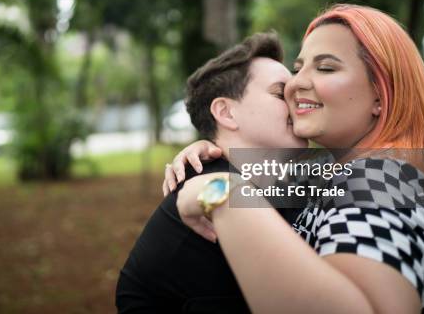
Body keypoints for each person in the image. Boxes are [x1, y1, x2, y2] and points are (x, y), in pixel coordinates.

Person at [166, 4, 424, 313]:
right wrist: (217, 145)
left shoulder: (377, 177)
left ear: (380, 95)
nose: (295, 84)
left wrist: (220, 190)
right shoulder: (344, 172)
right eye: (298, 69)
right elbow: (270, 181)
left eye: (325, 68)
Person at [115, 33, 307, 313]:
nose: (298, 102)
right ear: (226, 113)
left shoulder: (284, 183)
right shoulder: (209, 205)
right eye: (280, 93)